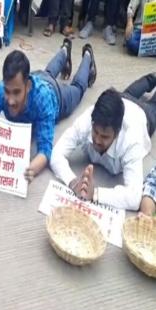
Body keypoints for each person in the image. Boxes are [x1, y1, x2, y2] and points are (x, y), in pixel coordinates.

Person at [0, 39, 97, 183]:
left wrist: (30, 169)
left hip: (57, 96)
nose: (10, 100)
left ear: (27, 86)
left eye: (16, 92)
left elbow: (45, 150)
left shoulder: (43, 100)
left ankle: (88, 57)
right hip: (40, 75)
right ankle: (64, 50)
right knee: (49, 72)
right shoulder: (0, 92)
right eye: (7, 91)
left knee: (77, 88)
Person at [50, 73, 156, 210]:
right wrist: (73, 183)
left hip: (143, 114)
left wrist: (95, 193)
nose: (98, 140)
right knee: (132, 91)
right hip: (121, 99)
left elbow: (134, 198)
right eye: (95, 132)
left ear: (117, 133)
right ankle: (151, 78)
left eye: (105, 137)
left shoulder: (131, 141)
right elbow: (56, 153)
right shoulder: (87, 120)